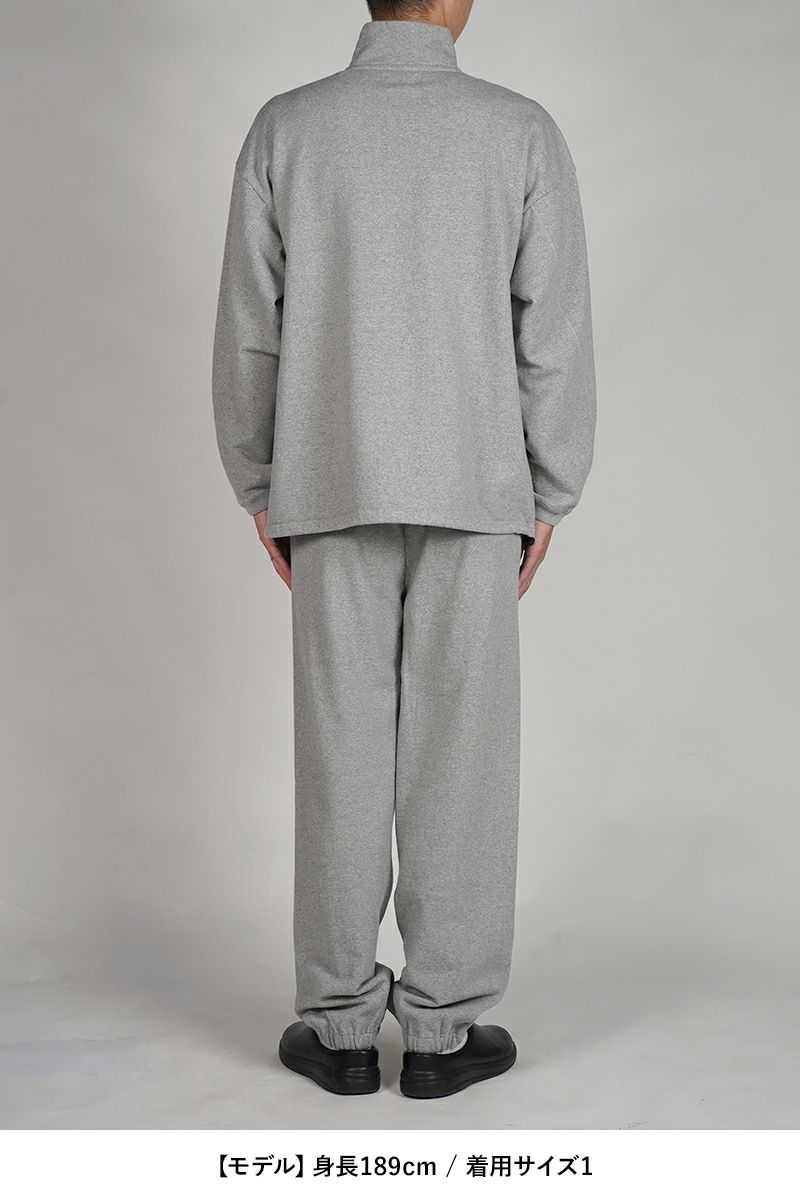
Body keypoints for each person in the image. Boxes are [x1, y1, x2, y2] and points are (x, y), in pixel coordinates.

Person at [212, 0, 596, 1100]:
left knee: (339, 748)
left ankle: (339, 1029)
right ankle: (439, 1035)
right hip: (475, 491)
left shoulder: (289, 128)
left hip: (330, 482)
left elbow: (250, 329)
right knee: (461, 757)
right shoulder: (519, 131)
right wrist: (549, 491)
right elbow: (552, 334)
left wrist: (261, 482)